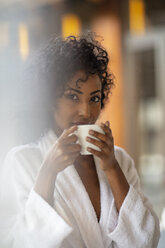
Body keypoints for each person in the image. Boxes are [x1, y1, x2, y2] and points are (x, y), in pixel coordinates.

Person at [0, 33, 160, 248]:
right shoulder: (22, 161)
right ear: (48, 99)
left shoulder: (120, 160)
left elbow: (147, 241)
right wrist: (48, 171)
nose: (86, 112)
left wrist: (112, 167)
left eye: (94, 99)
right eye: (72, 96)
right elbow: (15, 243)